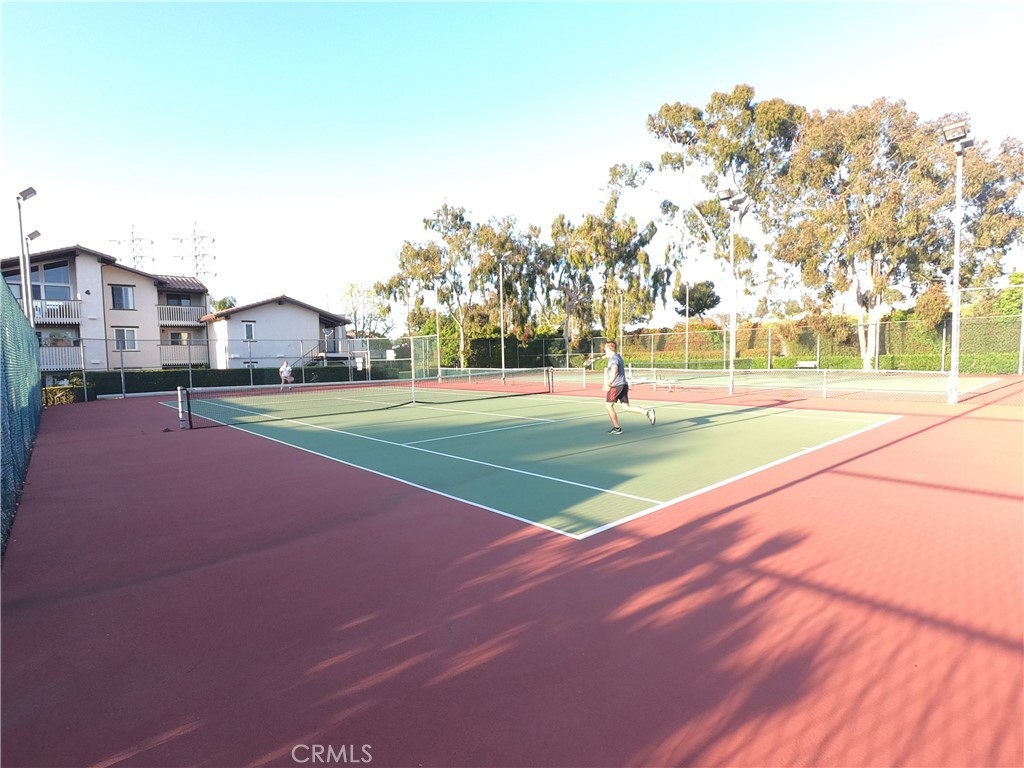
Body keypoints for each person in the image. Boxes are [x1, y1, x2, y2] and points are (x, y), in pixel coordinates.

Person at [602, 341, 655, 434]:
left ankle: (617, 428)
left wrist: (609, 383)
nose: (604, 350)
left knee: (608, 406)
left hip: (616, 386)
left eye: (605, 348)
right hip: (623, 385)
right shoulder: (617, 356)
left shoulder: (613, 359)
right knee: (626, 407)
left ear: (609, 349)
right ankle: (647, 412)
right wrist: (608, 356)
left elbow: (615, 370)